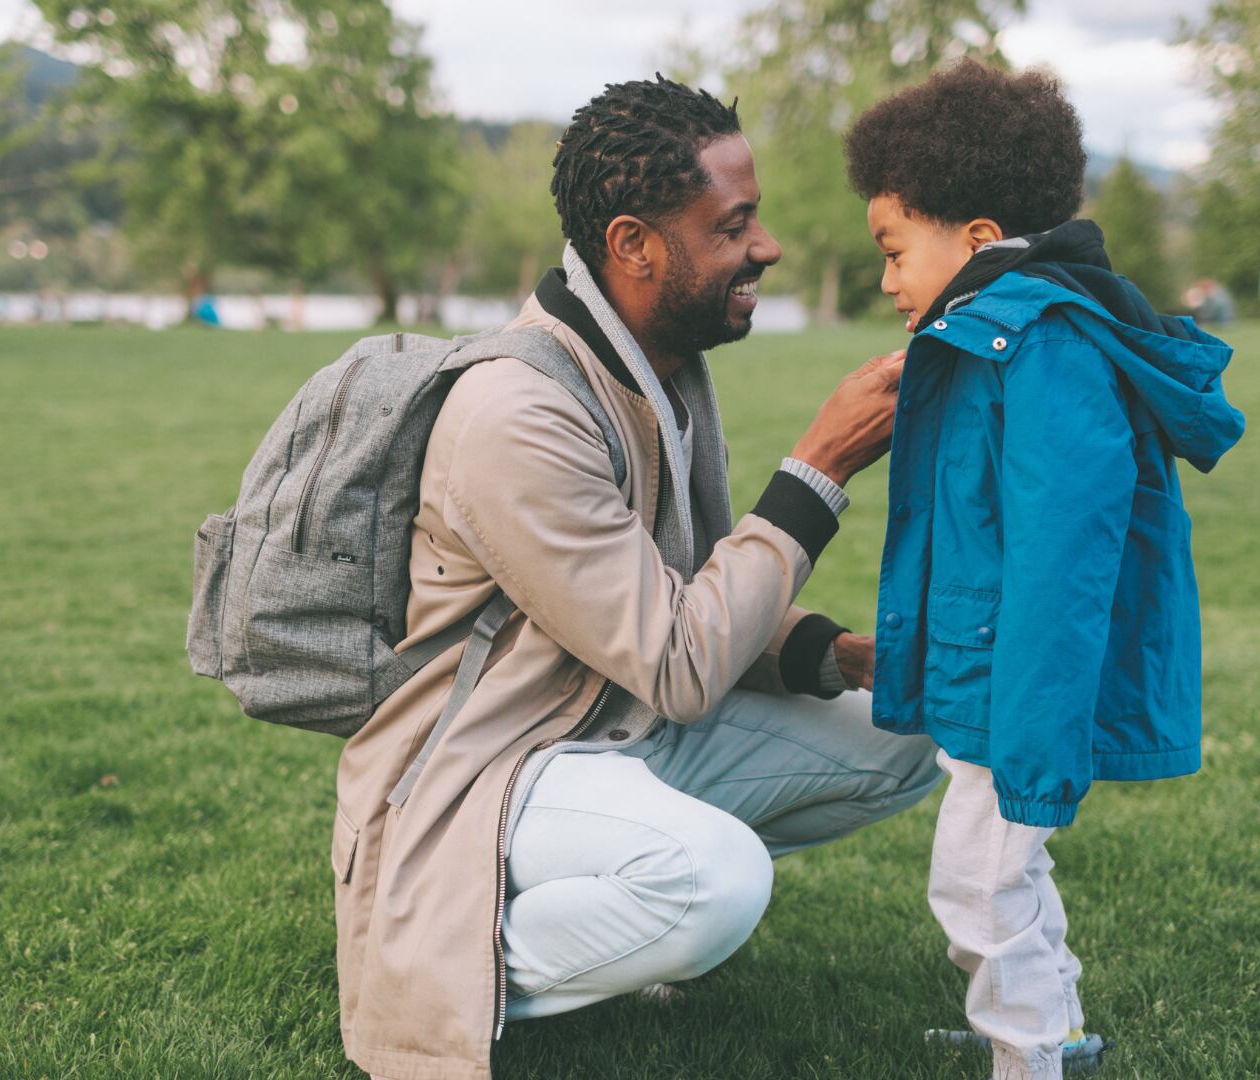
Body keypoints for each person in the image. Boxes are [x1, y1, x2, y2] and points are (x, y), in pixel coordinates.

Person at [330, 76, 944, 1080]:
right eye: (733, 224)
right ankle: (439, 962)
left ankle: (607, 904)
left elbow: (691, 589)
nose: (767, 245)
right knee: (717, 883)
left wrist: (837, 657)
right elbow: (681, 661)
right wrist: (818, 470)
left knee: (914, 723)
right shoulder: (516, 412)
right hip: (486, 770)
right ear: (634, 245)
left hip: (612, 730)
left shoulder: (660, 364)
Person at [844, 61, 1246, 1080]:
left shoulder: (1042, 345)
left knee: (976, 887)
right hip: (990, 670)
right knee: (1003, 872)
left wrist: (1035, 727)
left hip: (1020, 681)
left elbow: (1065, 558)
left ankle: (1027, 1057)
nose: (887, 280)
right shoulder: (993, 336)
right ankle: (1048, 1027)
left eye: (894, 251)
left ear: (977, 238)